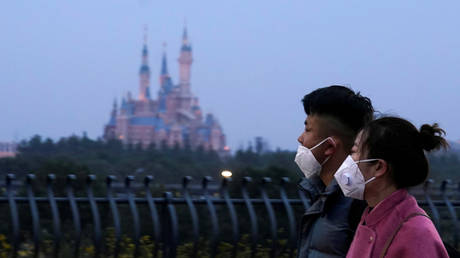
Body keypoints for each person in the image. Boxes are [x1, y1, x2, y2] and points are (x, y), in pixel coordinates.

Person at [334, 117, 449, 258]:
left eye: (355, 151)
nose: (348, 160)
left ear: (379, 167)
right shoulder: (371, 217)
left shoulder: (416, 231)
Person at [295, 85, 374, 257]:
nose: (300, 138)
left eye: (308, 129)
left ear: (329, 146)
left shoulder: (362, 206)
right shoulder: (323, 197)